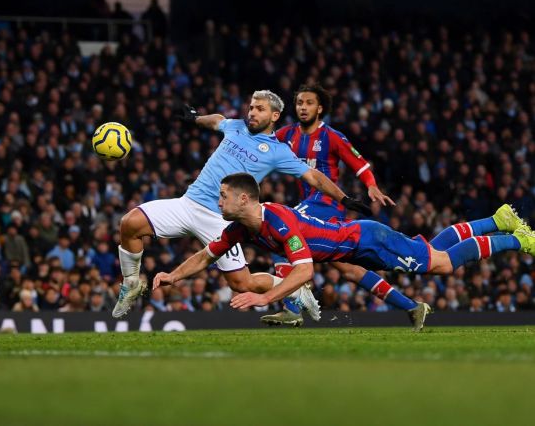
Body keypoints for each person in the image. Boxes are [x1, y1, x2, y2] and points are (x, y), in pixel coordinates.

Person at [153, 173, 535, 330]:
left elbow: (304, 274)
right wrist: (172, 275)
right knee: (431, 249)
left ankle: (518, 239)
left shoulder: (279, 221)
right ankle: (498, 220)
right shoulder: (240, 227)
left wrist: (263, 296)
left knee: (443, 264)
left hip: (367, 241)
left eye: (222, 196)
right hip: (356, 249)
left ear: (242, 198)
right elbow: (205, 256)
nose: (217, 202)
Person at [114, 89, 372, 318]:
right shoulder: (236, 126)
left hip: (221, 219)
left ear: (274, 116)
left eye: (260, 109)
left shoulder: (278, 151)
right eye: (251, 107)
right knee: (130, 223)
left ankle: (293, 290)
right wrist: (196, 118)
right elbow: (217, 121)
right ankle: (132, 283)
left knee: (242, 284)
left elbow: (313, 176)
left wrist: (344, 198)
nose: (252, 113)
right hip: (188, 204)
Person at [263, 83, 420, 328]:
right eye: (299, 103)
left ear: (320, 108)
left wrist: (371, 185)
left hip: (326, 204)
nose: (303, 108)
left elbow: (360, 165)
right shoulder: (286, 134)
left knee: (281, 232)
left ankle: (292, 308)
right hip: (308, 206)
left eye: (309, 103)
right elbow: (260, 143)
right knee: (349, 269)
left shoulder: (332, 136)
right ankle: (412, 306)